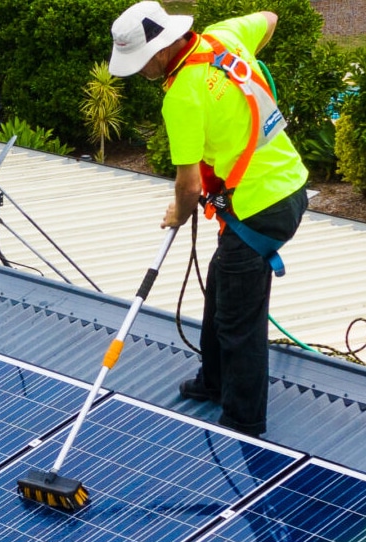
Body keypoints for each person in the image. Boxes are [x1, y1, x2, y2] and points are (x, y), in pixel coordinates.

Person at [108, 1, 309, 436]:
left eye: (141, 62)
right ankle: (214, 380)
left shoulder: (182, 96)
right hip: (288, 185)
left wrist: (176, 214)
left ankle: (244, 419)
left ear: (161, 51)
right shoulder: (225, 36)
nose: (141, 72)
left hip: (260, 209)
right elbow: (270, 21)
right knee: (221, 283)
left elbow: (190, 186)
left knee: (240, 322)